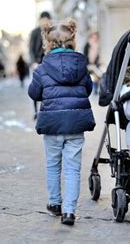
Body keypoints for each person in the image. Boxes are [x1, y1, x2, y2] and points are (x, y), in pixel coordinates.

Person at [28, 18, 95, 226]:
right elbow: (88, 89)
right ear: (73, 40)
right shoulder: (81, 66)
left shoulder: (42, 69)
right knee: (73, 168)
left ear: (48, 43)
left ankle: (55, 203)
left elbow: (34, 93)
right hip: (75, 124)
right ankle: (69, 212)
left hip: (53, 124)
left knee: (53, 164)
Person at [29, 11, 52, 118]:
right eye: (43, 20)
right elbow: (31, 48)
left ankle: (45, 109)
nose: (45, 22)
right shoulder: (35, 32)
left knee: (48, 86)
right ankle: (35, 110)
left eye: (47, 20)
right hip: (37, 62)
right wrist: (33, 62)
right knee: (36, 86)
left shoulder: (52, 32)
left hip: (48, 62)